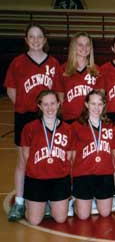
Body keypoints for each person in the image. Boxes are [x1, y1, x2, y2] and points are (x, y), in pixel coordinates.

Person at [4, 23, 61, 221]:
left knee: (45, 159)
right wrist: (24, 106)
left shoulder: (53, 63)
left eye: (39, 36)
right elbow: (11, 90)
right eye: (31, 36)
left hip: (48, 117)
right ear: (26, 39)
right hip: (25, 116)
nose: (36, 40)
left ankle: (43, 200)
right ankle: (20, 202)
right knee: (24, 161)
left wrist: (50, 111)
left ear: (45, 39)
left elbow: (59, 91)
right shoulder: (18, 62)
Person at [20, 90, 72, 225]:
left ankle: (50, 203)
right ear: (39, 106)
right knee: (34, 221)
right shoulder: (29, 128)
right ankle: (31, 204)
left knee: (61, 219)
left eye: (53, 103)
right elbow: (26, 154)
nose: (50, 108)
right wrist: (36, 170)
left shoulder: (67, 128)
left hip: (60, 179)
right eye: (46, 104)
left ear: (59, 104)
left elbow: (70, 155)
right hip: (37, 179)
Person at [70, 90, 115, 219]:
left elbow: (113, 155)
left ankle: (92, 201)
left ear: (104, 106)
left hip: (104, 174)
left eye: (100, 104)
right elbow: (72, 157)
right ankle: (75, 203)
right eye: (93, 104)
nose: (96, 108)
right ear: (86, 105)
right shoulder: (76, 126)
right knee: (83, 216)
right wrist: (72, 181)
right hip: (83, 175)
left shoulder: (109, 125)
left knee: (105, 213)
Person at [54, 32, 103, 123]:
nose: (84, 48)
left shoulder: (97, 70)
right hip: (69, 119)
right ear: (73, 47)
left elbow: (100, 98)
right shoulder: (63, 69)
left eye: (87, 45)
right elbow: (60, 98)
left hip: (91, 119)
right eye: (80, 45)